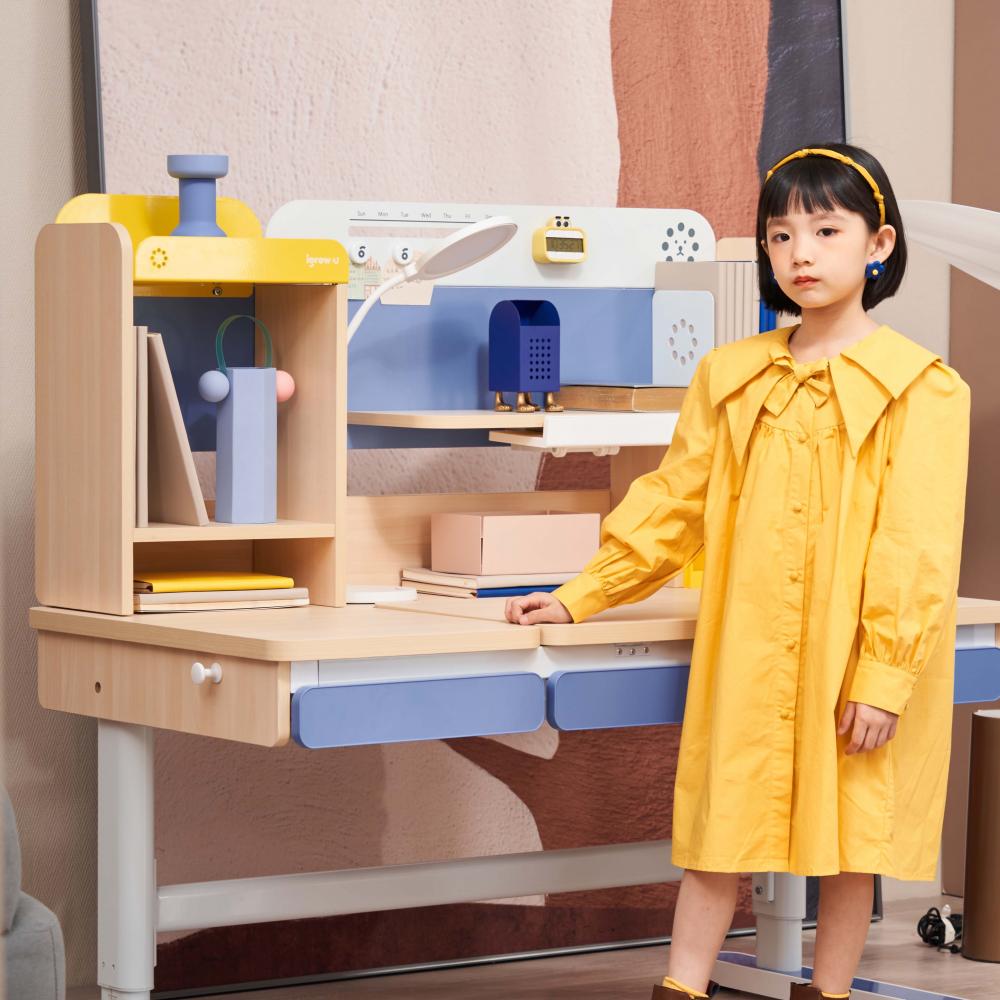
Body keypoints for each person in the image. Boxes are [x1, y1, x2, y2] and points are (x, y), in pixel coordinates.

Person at [505, 144, 971, 1000]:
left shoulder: (924, 391)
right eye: (780, 233)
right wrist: (582, 595)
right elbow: (671, 505)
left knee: (848, 844)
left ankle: (825, 994)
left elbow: (917, 546)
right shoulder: (729, 377)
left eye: (827, 230)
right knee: (723, 828)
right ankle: (681, 987)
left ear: (878, 245)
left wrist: (883, 674)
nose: (800, 252)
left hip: (853, 656)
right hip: (748, 649)